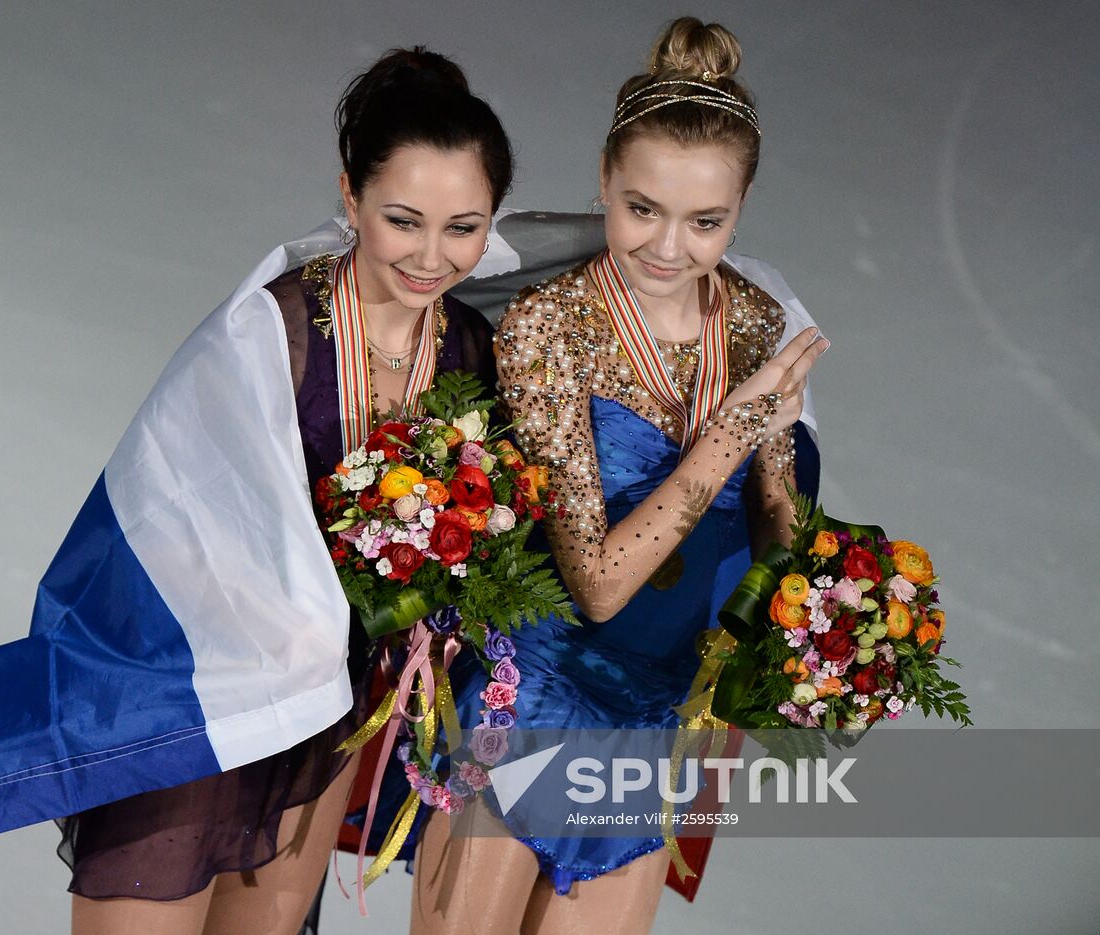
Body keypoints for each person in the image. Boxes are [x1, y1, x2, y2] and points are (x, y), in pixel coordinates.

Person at [63, 48, 512, 935]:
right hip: (197, 700)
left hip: (320, 714)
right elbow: (166, 522)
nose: (432, 256)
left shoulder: (469, 347)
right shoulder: (271, 333)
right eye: (403, 220)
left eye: (464, 227)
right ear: (348, 198)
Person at [411, 17, 828, 935]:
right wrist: (726, 433)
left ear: (742, 210)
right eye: (642, 208)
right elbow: (596, 583)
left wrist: (821, 628)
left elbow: (773, 513)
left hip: (648, 725)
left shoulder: (755, 325)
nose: (669, 247)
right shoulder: (548, 328)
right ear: (603, 181)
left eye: (706, 220)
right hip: (533, 696)